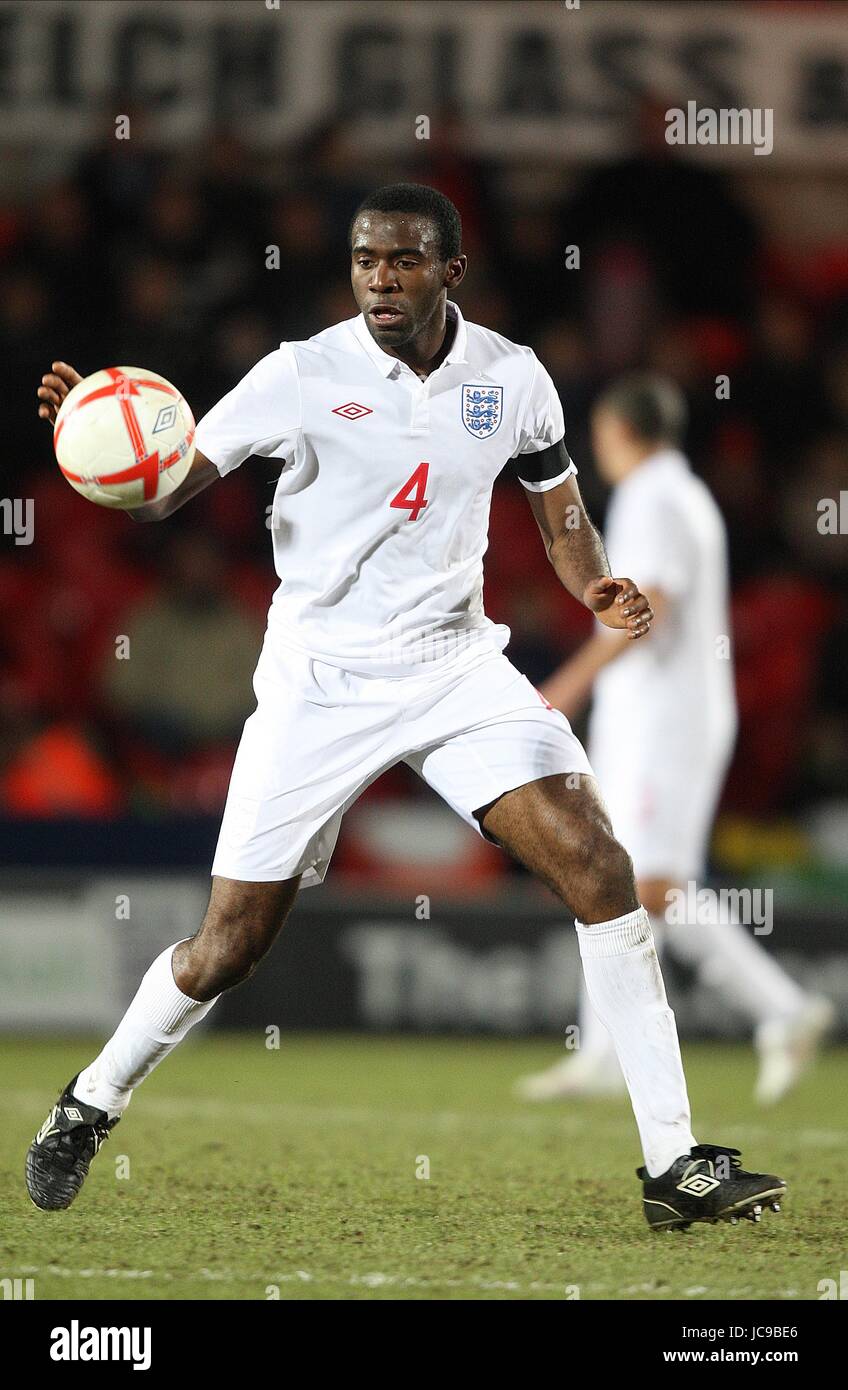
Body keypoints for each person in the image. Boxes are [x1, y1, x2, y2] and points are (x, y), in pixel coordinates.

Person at [29, 184, 784, 1232]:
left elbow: (556, 506)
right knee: (226, 946)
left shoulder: (512, 378)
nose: (380, 278)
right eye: (364, 260)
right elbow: (164, 488)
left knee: (598, 865)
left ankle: (674, 1167)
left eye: (402, 260)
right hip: (319, 681)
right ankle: (86, 1103)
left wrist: (593, 585)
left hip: (452, 666)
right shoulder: (300, 375)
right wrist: (91, 430)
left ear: (449, 271)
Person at [516, 374, 833, 1106]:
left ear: (620, 432)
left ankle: (781, 1009)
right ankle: (601, 1051)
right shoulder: (681, 492)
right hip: (664, 716)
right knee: (610, 874)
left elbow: (648, 602)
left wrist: (570, 683)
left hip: (666, 720)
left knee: (651, 885)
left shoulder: (652, 495)